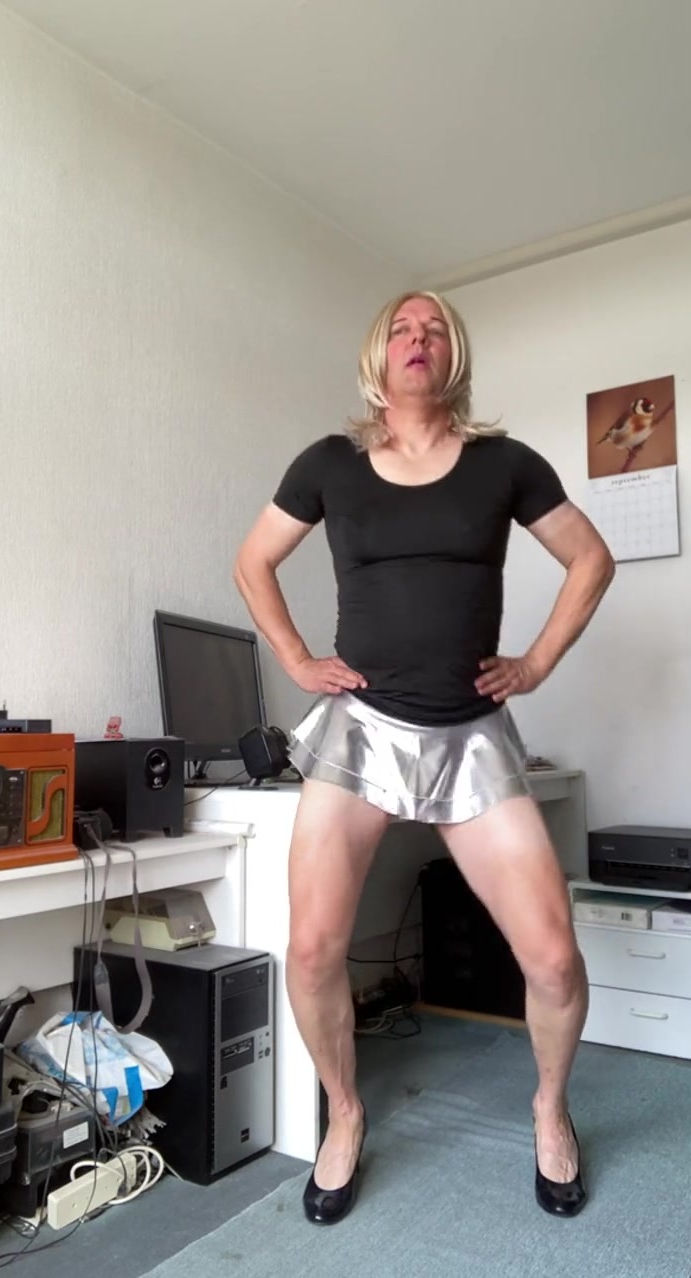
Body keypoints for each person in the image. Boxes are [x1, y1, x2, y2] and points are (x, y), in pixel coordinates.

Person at [233, 290, 615, 1225]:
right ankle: (345, 1114)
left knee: (554, 960)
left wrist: (534, 663)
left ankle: (549, 1109)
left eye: (434, 328)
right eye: (402, 328)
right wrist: (295, 659)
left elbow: (590, 559)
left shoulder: (504, 464)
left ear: (454, 356)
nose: (418, 338)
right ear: (379, 354)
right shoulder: (328, 464)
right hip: (359, 730)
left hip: (471, 738)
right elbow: (253, 563)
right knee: (313, 949)